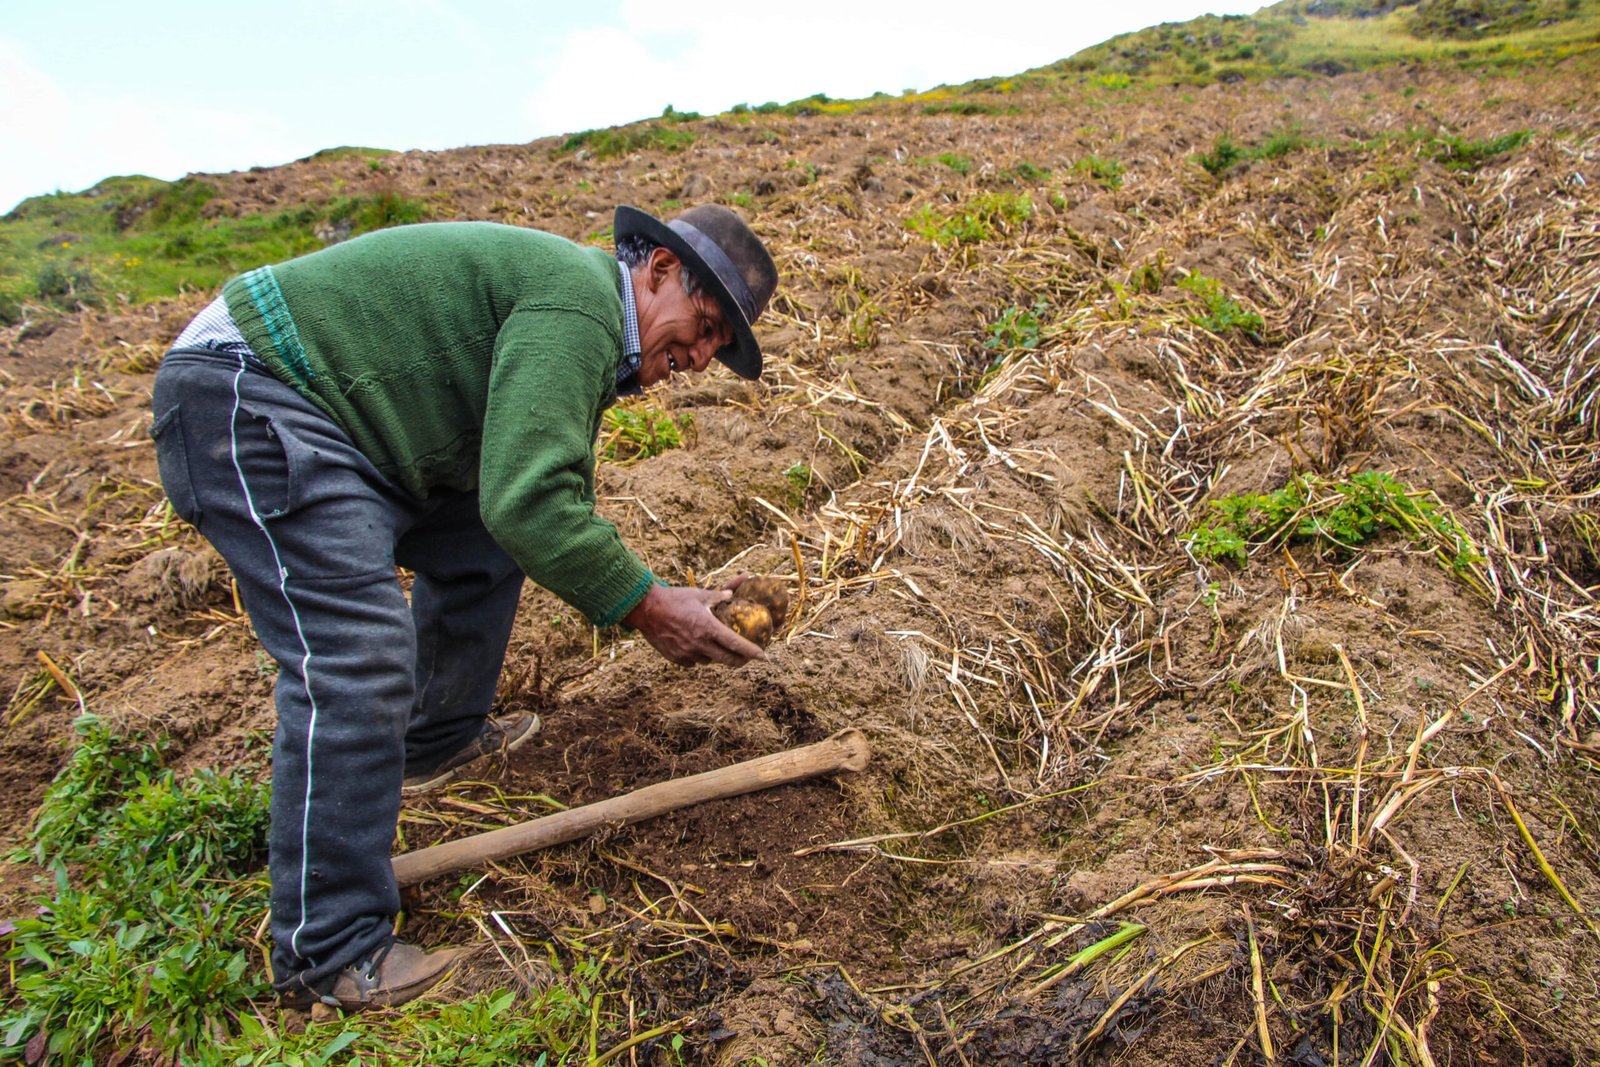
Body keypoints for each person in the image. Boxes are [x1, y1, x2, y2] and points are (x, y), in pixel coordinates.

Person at [149, 204, 780, 1010]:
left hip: (333, 419)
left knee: (478, 544)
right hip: (253, 396)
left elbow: (533, 494)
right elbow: (533, 503)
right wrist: (649, 608)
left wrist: (651, 590)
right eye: (702, 327)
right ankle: (330, 952)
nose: (695, 359)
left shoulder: (582, 313)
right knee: (360, 655)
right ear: (656, 270)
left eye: (716, 350)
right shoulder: (580, 304)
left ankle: (436, 740)